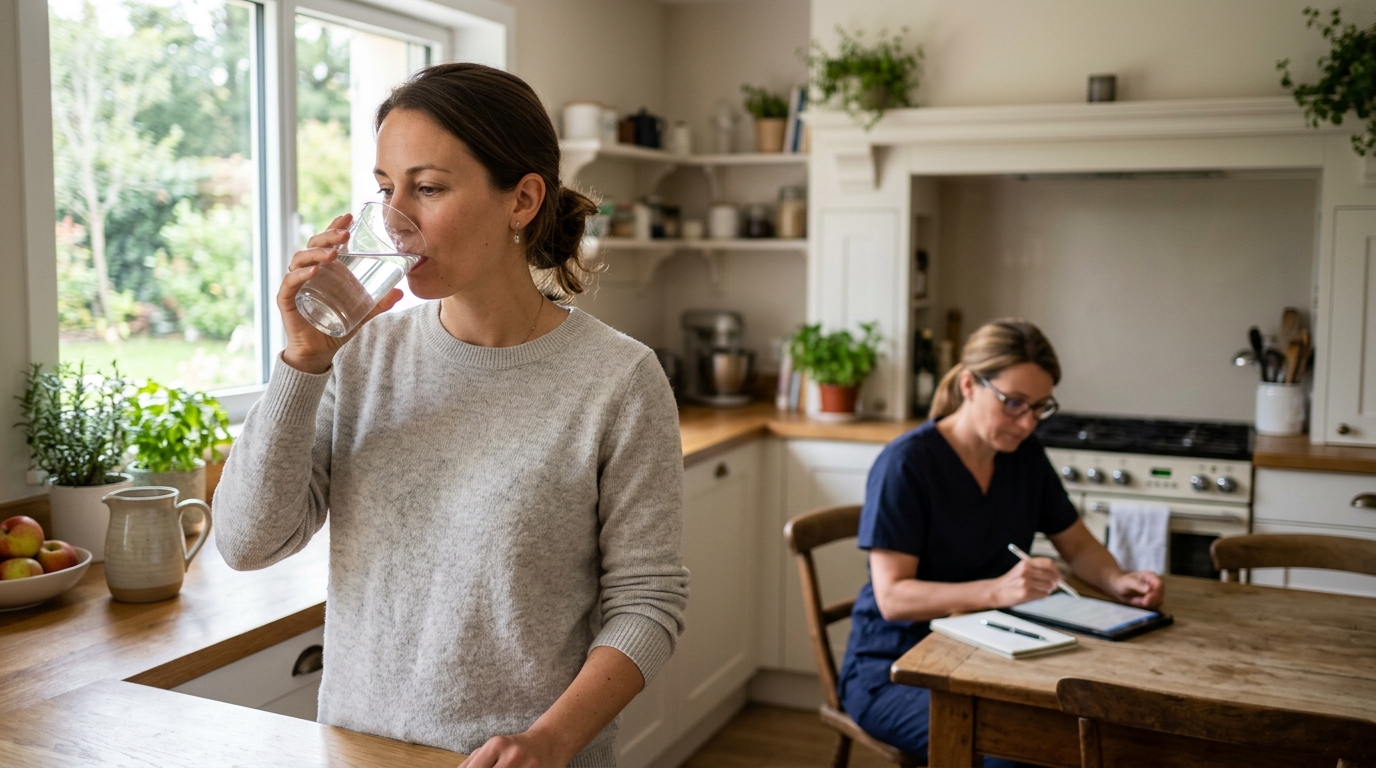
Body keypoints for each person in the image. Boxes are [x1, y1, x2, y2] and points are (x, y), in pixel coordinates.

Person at [213, 63, 689, 768]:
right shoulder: (359, 354)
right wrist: (304, 360)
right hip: (360, 751)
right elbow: (247, 543)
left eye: (428, 188)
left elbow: (647, 604)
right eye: (384, 188)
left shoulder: (618, 380)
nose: (396, 217)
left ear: (522, 200)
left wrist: (548, 741)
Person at [837, 319, 1164, 767]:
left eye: (1040, 408)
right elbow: (893, 597)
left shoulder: (1023, 456)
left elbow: (1078, 546)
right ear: (970, 384)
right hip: (895, 667)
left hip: (991, 650)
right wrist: (998, 590)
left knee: (1091, 732)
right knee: (1015, 752)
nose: (1028, 422)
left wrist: (1118, 580)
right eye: (1014, 403)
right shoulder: (907, 464)